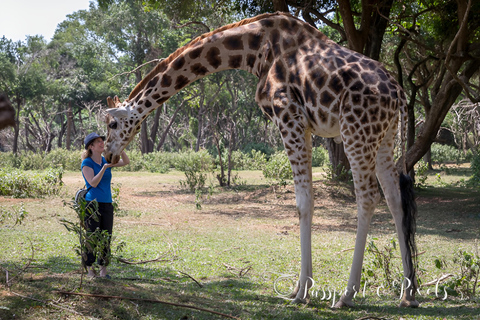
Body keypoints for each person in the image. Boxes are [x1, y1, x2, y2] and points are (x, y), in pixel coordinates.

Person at [81, 132, 130, 278]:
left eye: (102, 141)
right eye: (98, 142)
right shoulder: (87, 163)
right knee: (92, 237)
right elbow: (93, 183)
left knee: (106, 236)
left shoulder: (105, 160)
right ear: (91, 147)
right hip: (92, 205)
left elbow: (126, 162)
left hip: (107, 204)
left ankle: (103, 271)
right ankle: (90, 269)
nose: (102, 143)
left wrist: (120, 149)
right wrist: (104, 168)